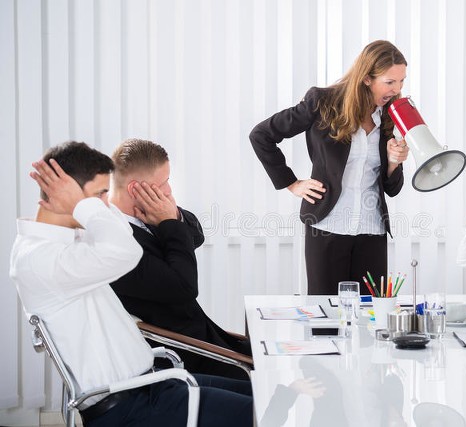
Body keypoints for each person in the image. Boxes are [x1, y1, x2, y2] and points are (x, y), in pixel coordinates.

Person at [9, 141, 253, 426]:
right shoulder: (42, 261)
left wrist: (91, 201)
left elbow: (131, 238)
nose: (106, 204)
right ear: (70, 197)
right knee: (267, 412)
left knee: (264, 394)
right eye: (100, 195)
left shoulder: (66, 247)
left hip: (154, 384)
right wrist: (84, 205)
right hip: (132, 406)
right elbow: (126, 251)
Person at [250, 40, 409, 295]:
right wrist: (292, 183)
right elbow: (261, 135)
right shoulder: (322, 102)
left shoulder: (392, 114)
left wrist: (393, 162)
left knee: (371, 316)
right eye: (390, 82)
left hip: (372, 229)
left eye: (401, 81)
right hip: (327, 226)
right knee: (325, 318)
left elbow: (392, 188)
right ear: (367, 78)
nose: (397, 89)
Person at [109, 138, 251, 380]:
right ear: (135, 189)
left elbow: (195, 235)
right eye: (164, 183)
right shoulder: (115, 242)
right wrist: (169, 223)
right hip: (185, 353)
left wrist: (172, 216)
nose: (169, 191)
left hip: (207, 336)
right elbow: (184, 287)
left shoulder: (146, 214)